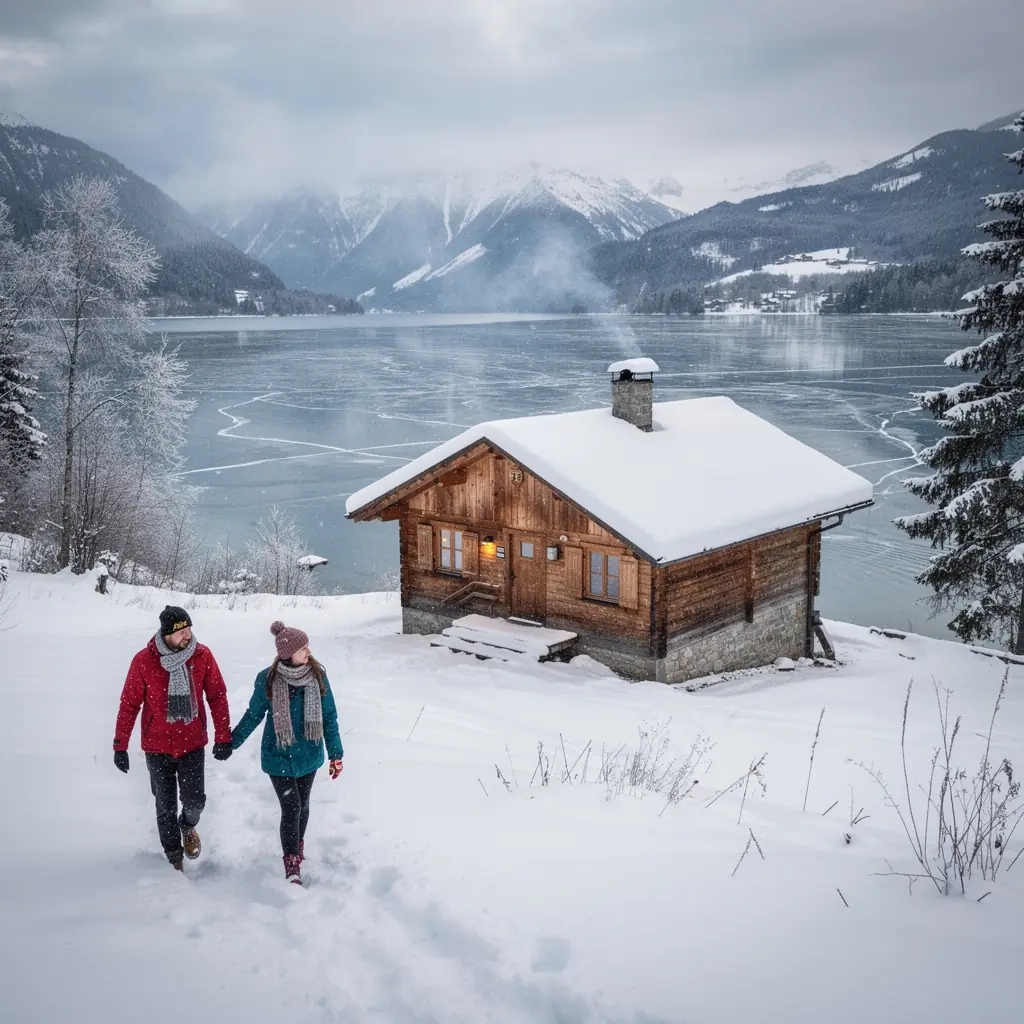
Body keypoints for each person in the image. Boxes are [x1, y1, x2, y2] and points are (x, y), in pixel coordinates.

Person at [113, 606, 233, 871]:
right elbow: (129, 704)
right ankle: (174, 859)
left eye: (189, 629)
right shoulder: (143, 661)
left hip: (192, 743)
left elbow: (217, 696)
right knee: (164, 806)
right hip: (157, 747)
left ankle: (187, 826)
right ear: (167, 633)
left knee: (195, 802)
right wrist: (120, 745)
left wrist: (223, 737)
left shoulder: (202, 655)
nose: (188, 635)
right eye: (182, 631)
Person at [231, 621, 344, 885]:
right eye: (303, 648)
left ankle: (297, 846)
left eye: (307, 646)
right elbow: (254, 714)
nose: (308, 651)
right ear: (288, 653)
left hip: (309, 753)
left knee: (303, 805)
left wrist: (335, 754)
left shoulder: (317, 675)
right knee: (291, 807)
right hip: (278, 755)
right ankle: (291, 862)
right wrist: (231, 742)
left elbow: (329, 716)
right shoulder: (268, 679)